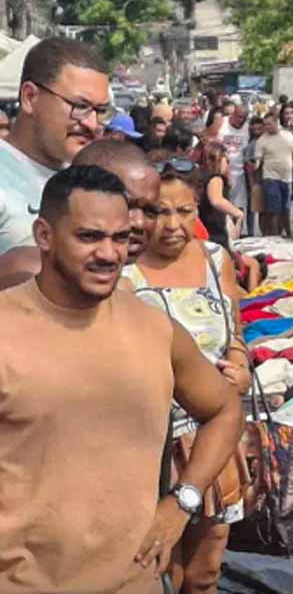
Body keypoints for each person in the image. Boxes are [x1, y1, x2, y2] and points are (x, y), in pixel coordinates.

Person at [0, 165, 242, 592]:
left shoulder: (155, 329)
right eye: (89, 237)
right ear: (44, 236)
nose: (109, 254)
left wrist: (181, 501)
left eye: (120, 238)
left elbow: (224, 409)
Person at [121, 164, 251, 590]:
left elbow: (235, 331)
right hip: (148, 446)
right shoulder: (120, 270)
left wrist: (240, 365)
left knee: (206, 570)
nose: (173, 225)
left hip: (213, 438)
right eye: (159, 212)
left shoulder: (216, 259)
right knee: (158, 569)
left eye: (185, 211)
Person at [0, 37, 112, 289]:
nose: (92, 124)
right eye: (80, 106)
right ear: (30, 97)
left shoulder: (90, 178)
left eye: (101, 111)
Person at [72, 139, 161, 264]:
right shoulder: (39, 276)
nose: (139, 223)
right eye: (127, 206)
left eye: (151, 211)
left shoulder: (134, 282)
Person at [254, 112, 293, 236]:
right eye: (265, 125)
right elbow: (257, 161)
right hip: (270, 177)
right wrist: (254, 171)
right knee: (274, 210)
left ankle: (287, 233)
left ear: (276, 123)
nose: (267, 127)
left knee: (285, 209)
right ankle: (275, 235)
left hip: (287, 178)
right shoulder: (261, 140)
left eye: (269, 124)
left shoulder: (288, 136)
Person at [199, 142, 245, 249]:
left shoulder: (200, 175)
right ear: (218, 159)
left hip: (204, 226)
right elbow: (216, 200)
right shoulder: (215, 178)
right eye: (227, 161)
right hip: (214, 231)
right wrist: (237, 213)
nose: (228, 164)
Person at [216, 105, 250, 236]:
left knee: (239, 207)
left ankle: (237, 233)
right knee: (223, 205)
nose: (241, 120)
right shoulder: (222, 122)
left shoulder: (247, 128)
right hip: (221, 172)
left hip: (239, 173)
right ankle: (223, 232)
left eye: (244, 118)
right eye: (238, 116)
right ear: (233, 114)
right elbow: (208, 137)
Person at [242, 116, 265, 236]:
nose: (257, 132)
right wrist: (251, 183)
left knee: (262, 209)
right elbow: (248, 166)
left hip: (265, 178)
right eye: (254, 129)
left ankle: (262, 232)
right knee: (252, 208)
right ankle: (251, 232)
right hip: (254, 180)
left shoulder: (265, 142)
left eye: (259, 129)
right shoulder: (252, 145)